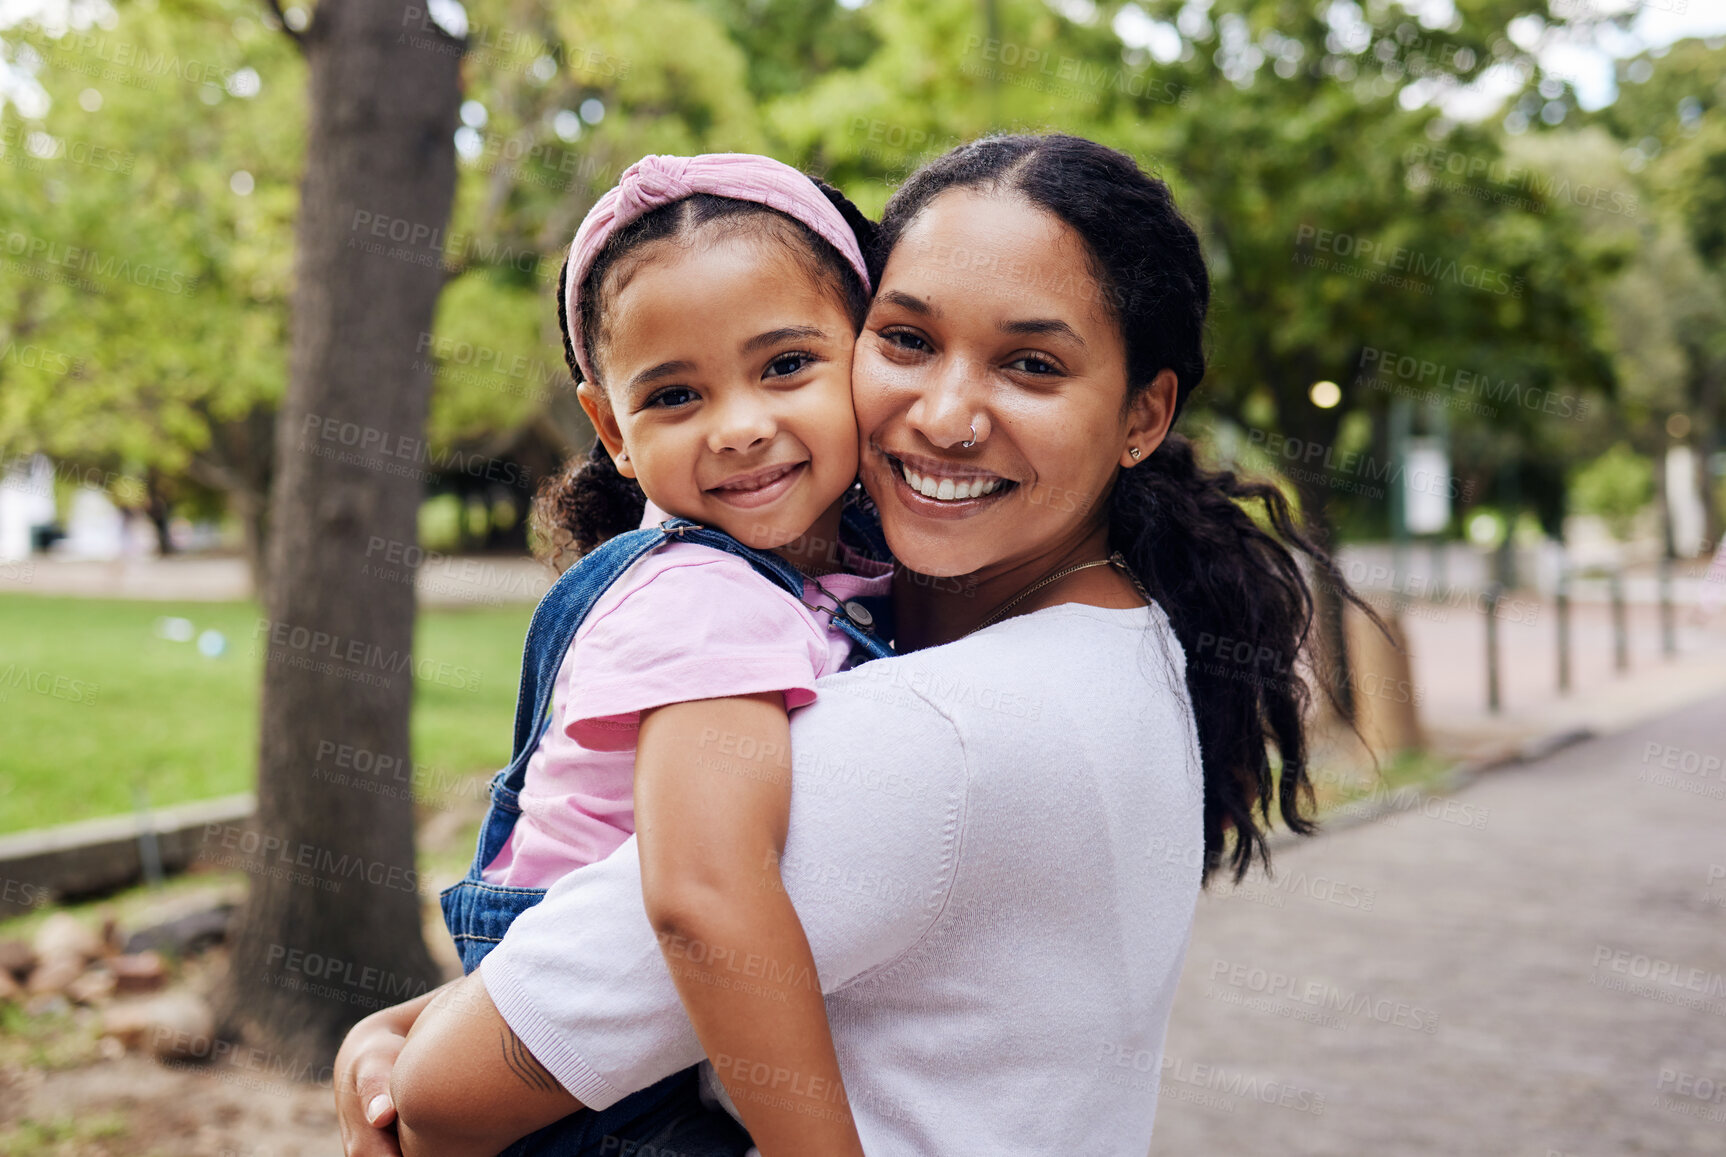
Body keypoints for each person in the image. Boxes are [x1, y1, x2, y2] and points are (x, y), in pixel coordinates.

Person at [337, 133, 1359, 1156]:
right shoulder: (1132, 645)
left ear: (1143, 413)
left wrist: (402, 1042)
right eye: (909, 340)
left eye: (1031, 364)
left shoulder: (925, 735)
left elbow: (438, 1096)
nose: (946, 415)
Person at [395, 153, 896, 1157]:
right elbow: (705, 899)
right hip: (603, 1095)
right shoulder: (706, 596)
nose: (742, 427)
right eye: (674, 395)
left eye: (787, 365)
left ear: (868, 354)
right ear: (609, 428)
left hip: (599, 1043)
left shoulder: (803, 577)